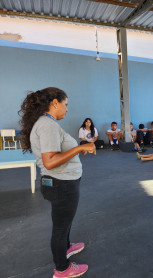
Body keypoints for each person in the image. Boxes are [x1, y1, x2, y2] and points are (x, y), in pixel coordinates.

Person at [20, 87, 96, 278]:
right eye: (65, 105)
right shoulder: (47, 125)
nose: (67, 109)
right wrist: (80, 149)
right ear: (55, 103)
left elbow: (57, 153)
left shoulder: (48, 123)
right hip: (61, 184)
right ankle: (62, 268)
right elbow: (50, 161)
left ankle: (67, 247)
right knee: (60, 227)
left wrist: (78, 149)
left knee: (65, 221)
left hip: (63, 183)